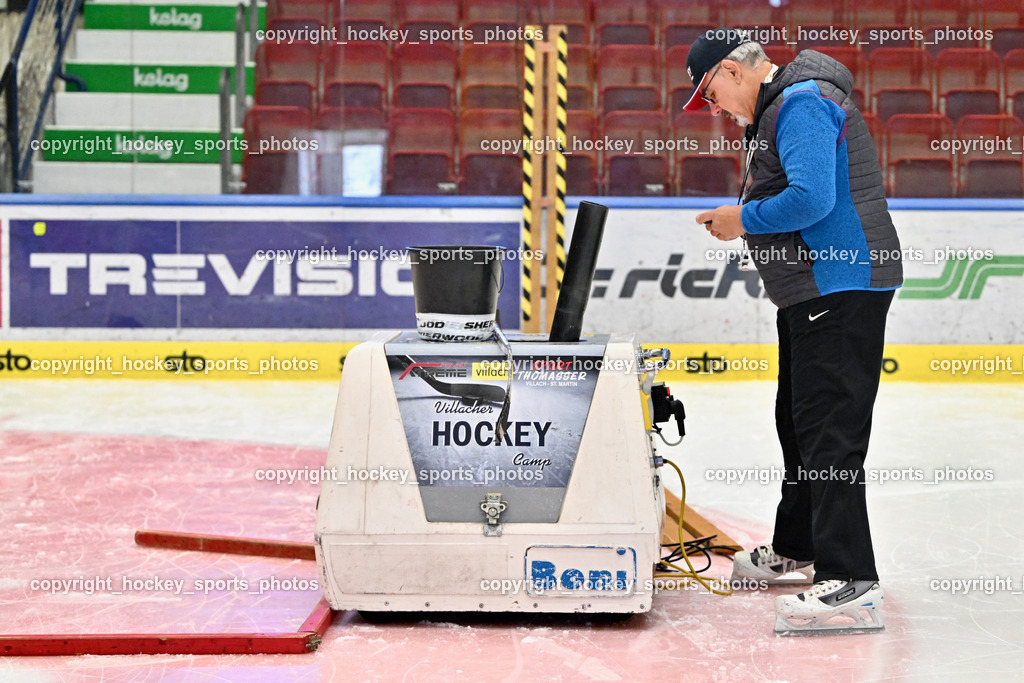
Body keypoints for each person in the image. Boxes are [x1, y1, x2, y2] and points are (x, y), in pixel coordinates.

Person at [683, 29, 903, 633]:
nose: (714, 110)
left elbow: (811, 198)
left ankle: (851, 581)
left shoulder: (801, 102)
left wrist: (741, 219)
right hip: (813, 290)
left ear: (732, 71)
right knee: (800, 422)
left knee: (830, 433)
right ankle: (799, 549)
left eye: (709, 94)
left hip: (841, 284)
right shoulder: (783, 104)